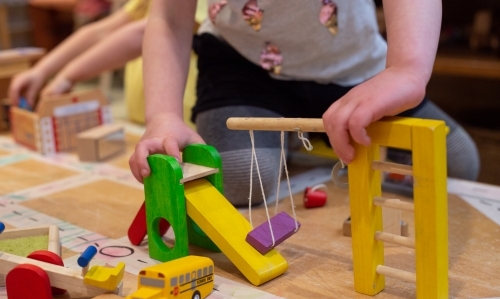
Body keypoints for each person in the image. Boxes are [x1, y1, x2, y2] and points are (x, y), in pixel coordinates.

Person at [130, 0, 480, 206]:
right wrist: (162, 114)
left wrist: (407, 69)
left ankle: (292, 143)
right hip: (246, 67)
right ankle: (286, 141)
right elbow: (169, 18)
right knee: (240, 177)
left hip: (355, 68)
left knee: (456, 163)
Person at [8, 0, 149, 124]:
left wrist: (67, 76)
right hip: (141, 122)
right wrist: (40, 70)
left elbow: (141, 34)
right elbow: (102, 30)